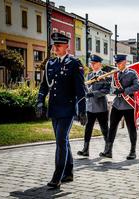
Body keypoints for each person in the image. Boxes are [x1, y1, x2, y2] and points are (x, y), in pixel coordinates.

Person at [36, 32, 87, 189]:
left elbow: (80, 90)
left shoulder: (74, 64)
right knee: (62, 140)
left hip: (67, 109)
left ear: (67, 46)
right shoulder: (50, 64)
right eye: (54, 45)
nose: (55, 48)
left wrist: (82, 111)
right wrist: (39, 102)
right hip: (54, 108)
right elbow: (44, 86)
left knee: (60, 141)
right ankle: (69, 172)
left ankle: (57, 176)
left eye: (59, 45)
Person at [99, 54, 139, 159]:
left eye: (120, 63)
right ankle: (108, 151)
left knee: (131, 128)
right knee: (112, 127)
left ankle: (133, 151)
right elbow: (112, 87)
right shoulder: (115, 74)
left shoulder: (132, 73)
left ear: (125, 62)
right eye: (117, 63)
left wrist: (124, 90)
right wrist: (115, 91)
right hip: (117, 104)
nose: (118, 65)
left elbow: (138, 86)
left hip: (128, 105)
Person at [77, 54, 111, 157]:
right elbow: (86, 87)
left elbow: (106, 90)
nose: (92, 65)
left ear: (100, 64)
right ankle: (85, 149)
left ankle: (108, 150)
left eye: (94, 63)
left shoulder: (105, 75)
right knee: (88, 129)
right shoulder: (89, 75)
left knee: (104, 129)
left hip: (101, 107)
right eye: (91, 63)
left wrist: (94, 93)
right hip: (90, 107)